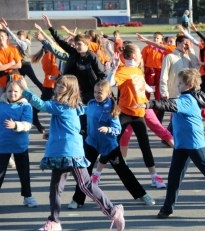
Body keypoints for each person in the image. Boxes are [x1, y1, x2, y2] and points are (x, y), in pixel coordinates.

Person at [134, 68, 205, 219]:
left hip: (194, 144)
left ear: (189, 85)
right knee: (174, 176)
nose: (178, 85)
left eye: (180, 83)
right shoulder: (189, 97)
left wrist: (149, 105)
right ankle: (168, 208)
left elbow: (168, 105)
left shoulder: (186, 100)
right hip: (181, 145)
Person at [18, 75, 125, 231]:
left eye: (62, 86)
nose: (57, 88)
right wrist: (53, 133)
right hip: (60, 152)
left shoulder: (62, 106)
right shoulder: (71, 106)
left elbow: (40, 105)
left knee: (85, 184)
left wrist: (26, 90)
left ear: (70, 90)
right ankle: (54, 221)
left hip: (71, 153)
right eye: (58, 85)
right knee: (55, 187)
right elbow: (68, 125)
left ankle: (114, 211)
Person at [69, 79, 155, 209]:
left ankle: (142, 194)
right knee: (84, 172)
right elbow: (81, 114)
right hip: (91, 143)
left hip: (109, 146)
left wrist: (108, 129)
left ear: (108, 94)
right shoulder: (91, 104)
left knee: (123, 171)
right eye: (95, 92)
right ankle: (77, 200)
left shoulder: (113, 109)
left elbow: (117, 129)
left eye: (100, 93)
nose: (97, 95)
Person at [107, 43, 166, 189]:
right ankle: (96, 175)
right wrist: (113, 69)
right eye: (139, 53)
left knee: (145, 145)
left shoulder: (138, 71)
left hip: (139, 113)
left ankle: (154, 177)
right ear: (133, 56)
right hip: (125, 113)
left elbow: (143, 85)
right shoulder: (123, 70)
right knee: (111, 142)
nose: (141, 56)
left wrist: (153, 89)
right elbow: (110, 83)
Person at [0, 80, 37, 208]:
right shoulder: (1, 104)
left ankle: (28, 197)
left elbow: (27, 124)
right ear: (6, 91)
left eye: (16, 91)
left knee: (24, 173)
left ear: (21, 92)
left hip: (20, 146)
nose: (12, 94)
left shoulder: (26, 106)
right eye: (10, 91)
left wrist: (15, 125)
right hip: (2, 146)